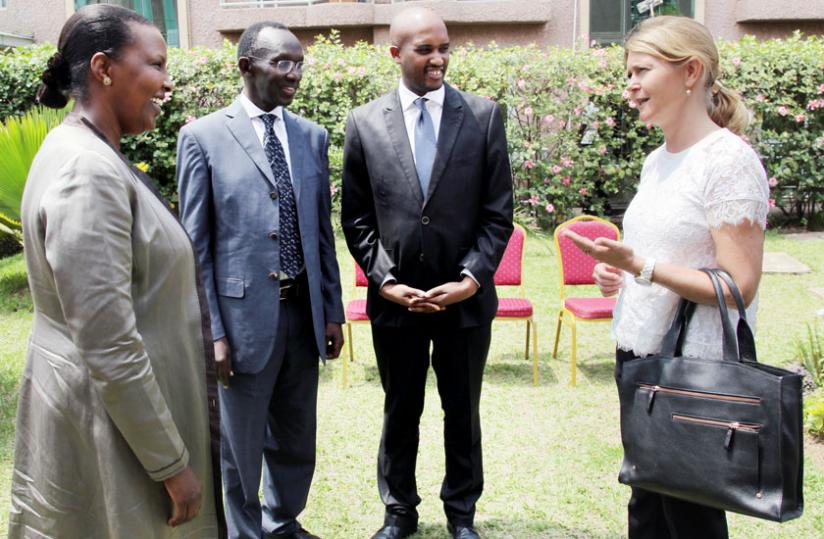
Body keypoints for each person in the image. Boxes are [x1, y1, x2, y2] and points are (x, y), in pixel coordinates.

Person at [9, 5, 223, 538]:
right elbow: (108, 342)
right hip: (114, 435)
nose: (167, 83)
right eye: (155, 64)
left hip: (114, 422)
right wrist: (171, 464)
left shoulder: (83, 152)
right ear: (104, 69)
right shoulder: (87, 172)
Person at [564, 15, 769, 539]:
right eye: (627, 72)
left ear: (690, 72)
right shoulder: (658, 161)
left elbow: (738, 285)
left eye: (641, 70)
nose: (628, 85)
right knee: (648, 503)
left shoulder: (727, 161)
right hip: (639, 356)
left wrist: (642, 267)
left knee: (690, 514)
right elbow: (659, 257)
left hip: (693, 368)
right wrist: (622, 275)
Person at [341, 7, 513, 539]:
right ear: (396, 53)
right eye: (424, 49)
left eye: (443, 47)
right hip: (397, 303)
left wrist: (470, 279)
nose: (437, 58)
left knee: (462, 413)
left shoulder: (484, 116)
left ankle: (462, 515)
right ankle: (399, 513)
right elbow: (357, 217)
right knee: (400, 412)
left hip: (463, 302)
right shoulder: (364, 122)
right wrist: (386, 282)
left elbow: (497, 213)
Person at [177, 21, 345, 539]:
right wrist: (214, 333)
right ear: (246, 65)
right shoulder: (202, 136)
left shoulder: (311, 136)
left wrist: (333, 310)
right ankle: (242, 531)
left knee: (296, 435)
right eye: (282, 63)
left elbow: (321, 232)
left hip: (303, 316)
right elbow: (194, 248)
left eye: (299, 63)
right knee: (240, 444)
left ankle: (282, 521)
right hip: (242, 321)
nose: (294, 74)